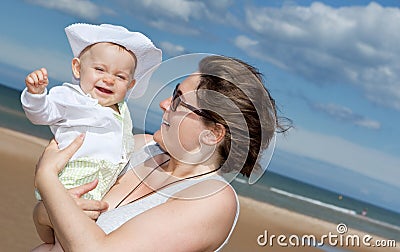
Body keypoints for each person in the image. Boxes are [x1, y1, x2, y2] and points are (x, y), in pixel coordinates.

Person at [32, 55, 291, 251]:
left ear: (212, 134)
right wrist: (52, 207)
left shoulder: (213, 199)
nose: (164, 104)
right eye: (173, 93)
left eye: (179, 100)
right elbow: (47, 227)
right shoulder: (138, 147)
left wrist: (47, 177)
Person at [21, 23, 162, 200]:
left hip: (104, 183)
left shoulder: (122, 110)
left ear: (130, 85)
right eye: (100, 69)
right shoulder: (72, 97)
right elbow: (41, 114)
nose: (109, 79)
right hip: (72, 178)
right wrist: (36, 95)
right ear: (78, 68)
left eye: (120, 76)